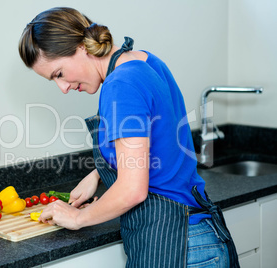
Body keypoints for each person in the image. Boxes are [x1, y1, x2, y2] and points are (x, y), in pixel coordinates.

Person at [18, 7, 239, 268]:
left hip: (176, 246)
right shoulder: (144, 62)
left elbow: (133, 191)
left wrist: (78, 218)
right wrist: (97, 174)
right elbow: (156, 140)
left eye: (59, 74)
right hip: (199, 237)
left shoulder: (119, 86)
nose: (63, 88)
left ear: (81, 48)